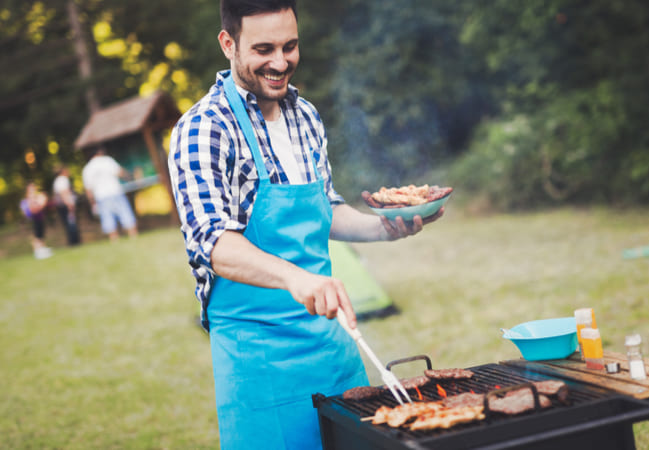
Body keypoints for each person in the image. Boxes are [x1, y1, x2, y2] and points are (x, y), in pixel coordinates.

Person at [167, 1, 443, 448]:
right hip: (261, 365)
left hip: (335, 350)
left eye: (289, 46)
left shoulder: (305, 116)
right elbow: (212, 243)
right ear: (228, 43)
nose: (280, 63)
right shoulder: (203, 129)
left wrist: (386, 227)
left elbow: (325, 208)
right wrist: (296, 279)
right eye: (264, 49)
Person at [81, 147, 138, 241]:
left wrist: (92, 203)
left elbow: (88, 189)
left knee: (108, 219)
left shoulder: (87, 169)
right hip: (115, 191)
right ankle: (133, 236)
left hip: (101, 196)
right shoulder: (107, 160)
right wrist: (131, 177)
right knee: (125, 214)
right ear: (99, 152)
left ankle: (114, 239)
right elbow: (120, 172)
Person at [20, 182, 53, 259]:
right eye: (32, 187)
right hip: (35, 218)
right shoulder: (29, 198)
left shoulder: (35, 196)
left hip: (40, 217)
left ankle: (42, 249)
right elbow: (33, 209)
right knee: (37, 236)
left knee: (41, 234)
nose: (34, 188)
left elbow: (40, 206)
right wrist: (39, 204)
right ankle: (38, 252)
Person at [52, 166, 81, 246]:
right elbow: (64, 193)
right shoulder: (62, 180)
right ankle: (74, 242)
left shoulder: (58, 180)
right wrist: (69, 204)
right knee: (71, 223)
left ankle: (73, 242)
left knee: (68, 223)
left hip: (63, 205)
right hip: (66, 205)